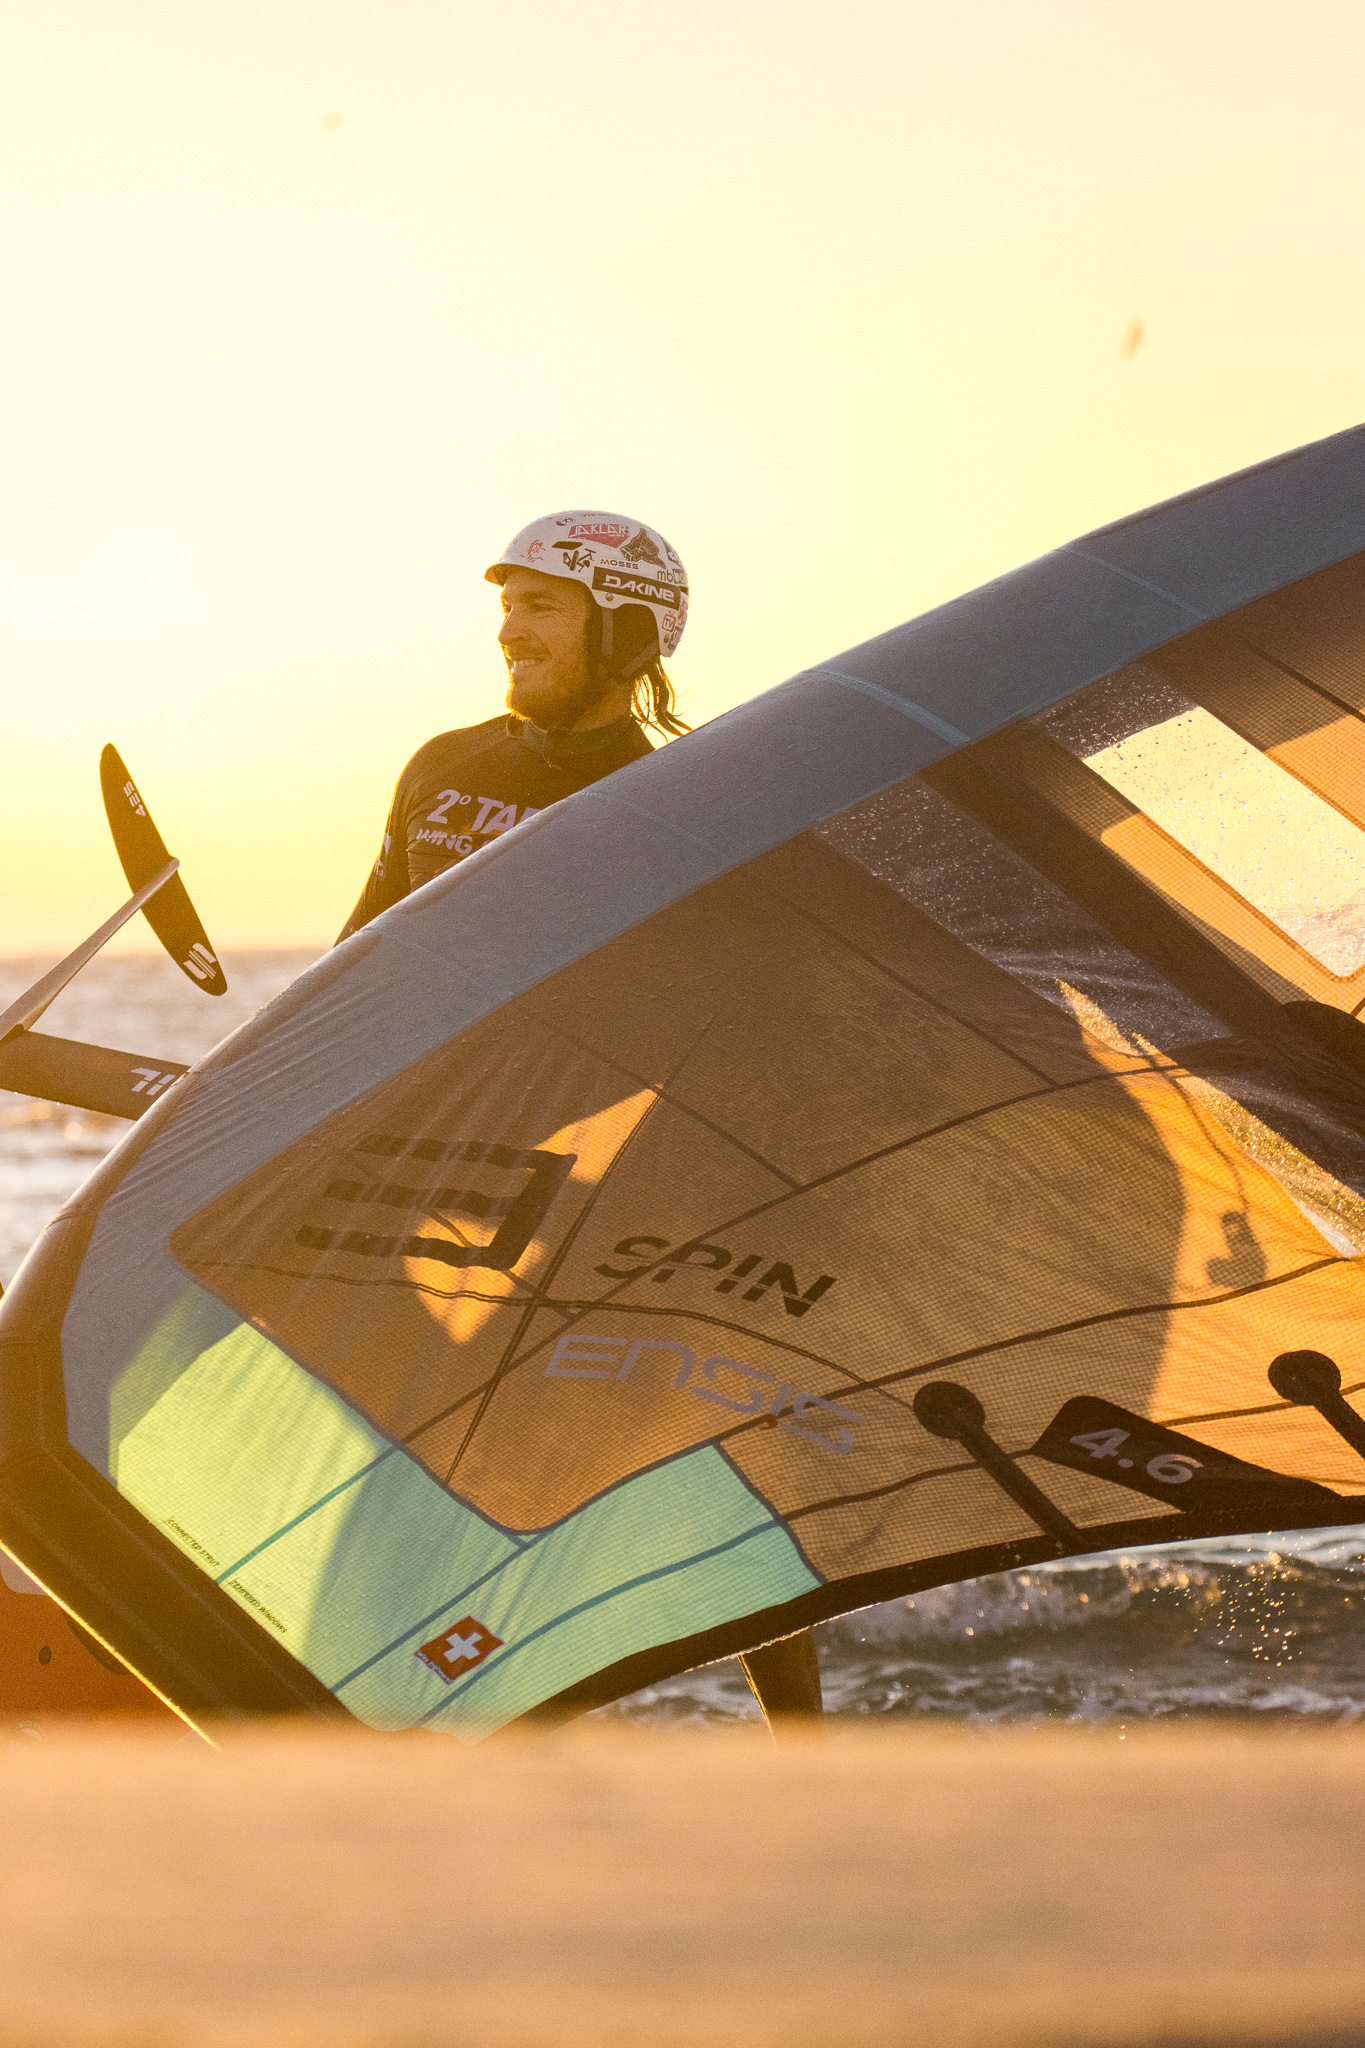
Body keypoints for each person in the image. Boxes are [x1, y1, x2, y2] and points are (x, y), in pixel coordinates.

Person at [340, 509, 823, 1731]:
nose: (510, 627)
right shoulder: (442, 765)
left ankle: (804, 1748)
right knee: (421, 1451)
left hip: (610, 1179)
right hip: (436, 1167)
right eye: (506, 604)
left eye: (541, 605)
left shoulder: (686, 799)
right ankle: (427, 1703)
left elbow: (744, 1015)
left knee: (701, 1454)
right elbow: (356, 959)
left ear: (625, 631)